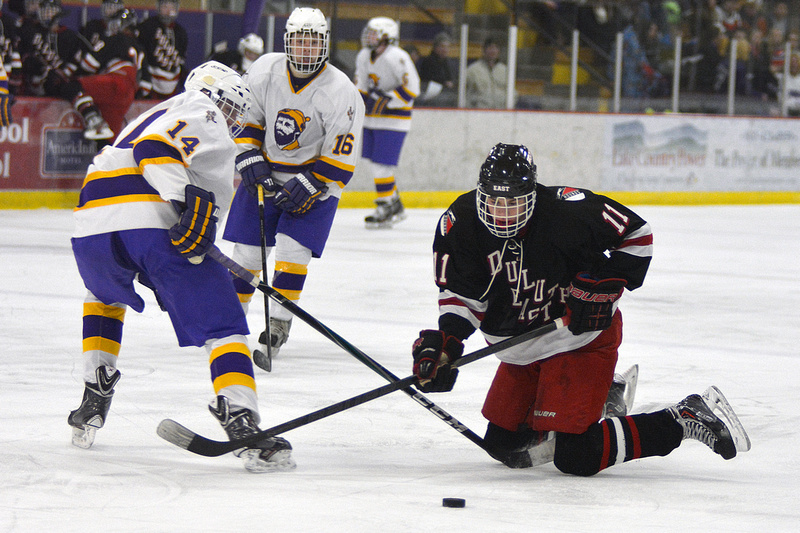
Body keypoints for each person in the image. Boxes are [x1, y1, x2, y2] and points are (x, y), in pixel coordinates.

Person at [410, 143, 750, 475]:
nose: (503, 212)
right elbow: (461, 295)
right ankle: (605, 397)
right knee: (506, 447)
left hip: (578, 340)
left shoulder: (567, 210)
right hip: (519, 351)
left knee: (578, 456)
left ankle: (682, 418)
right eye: (495, 201)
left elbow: (637, 235)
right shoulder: (461, 223)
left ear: (531, 196)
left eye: (513, 202)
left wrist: (601, 285)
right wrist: (447, 344)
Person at [68, 60, 296, 473]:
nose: (235, 120)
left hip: (90, 227)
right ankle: (239, 414)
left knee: (103, 295)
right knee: (224, 323)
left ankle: (94, 390)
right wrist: (183, 202)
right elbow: (153, 150)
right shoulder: (203, 110)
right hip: (149, 221)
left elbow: (140, 148)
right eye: (234, 109)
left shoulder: (153, 112)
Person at [222, 7, 365, 359]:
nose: (305, 49)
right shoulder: (264, 70)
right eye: (299, 41)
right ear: (287, 42)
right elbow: (247, 115)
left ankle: (279, 322)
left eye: (312, 42)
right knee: (247, 253)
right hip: (266, 172)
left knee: (292, 249)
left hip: (315, 178)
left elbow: (342, 152)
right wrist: (249, 156)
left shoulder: (341, 90)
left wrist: (315, 181)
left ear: (324, 45)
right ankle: (229, 321)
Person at [353, 16, 419, 228]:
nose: (369, 36)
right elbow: (361, 86)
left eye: (374, 33)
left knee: (382, 166)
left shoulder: (397, 56)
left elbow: (412, 89)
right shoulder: (364, 55)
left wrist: (386, 101)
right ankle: (395, 204)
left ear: (387, 38)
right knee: (376, 165)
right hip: (372, 120)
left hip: (394, 121)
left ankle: (386, 205)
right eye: (369, 32)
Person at [15, 0, 113, 139]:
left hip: (60, 84)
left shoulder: (70, 36)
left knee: (71, 86)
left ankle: (93, 118)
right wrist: (34, 65)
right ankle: (93, 118)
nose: (47, 14)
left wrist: (65, 73)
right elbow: (21, 57)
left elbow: (82, 60)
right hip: (35, 84)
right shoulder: (30, 32)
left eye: (51, 10)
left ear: (58, 12)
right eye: (44, 10)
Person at [73, 8, 143, 141]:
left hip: (115, 82)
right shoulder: (139, 46)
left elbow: (89, 65)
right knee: (108, 141)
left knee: (73, 86)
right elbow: (145, 84)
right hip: (129, 93)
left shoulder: (115, 38)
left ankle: (92, 118)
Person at [136, 0, 187, 99]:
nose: (168, 11)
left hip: (172, 87)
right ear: (158, 7)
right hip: (150, 85)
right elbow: (141, 56)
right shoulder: (147, 27)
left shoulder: (181, 33)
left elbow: (180, 61)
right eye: (165, 6)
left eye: (171, 6)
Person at [465, 37, 510, 109]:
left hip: (500, 113)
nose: (493, 51)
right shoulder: (472, 70)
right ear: (484, 50)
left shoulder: (505, 71)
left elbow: (512, 93)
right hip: (479, 113)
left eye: (495, 48)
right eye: (490, 48)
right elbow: (466, 94)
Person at [416, 31, 455, 106]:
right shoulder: (428, 61)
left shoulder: (447, 63)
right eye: (442, 46)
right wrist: (444, 83)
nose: (445, 49)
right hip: (431, 98)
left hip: (444, 95)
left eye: (447, 47)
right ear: (436, 47)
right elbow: (428, 80)